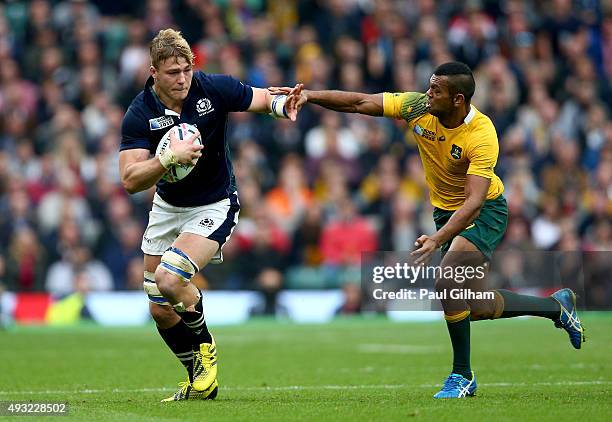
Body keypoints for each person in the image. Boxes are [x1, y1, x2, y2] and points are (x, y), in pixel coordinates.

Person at [273, 61, 585, 399]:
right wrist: (310, 96)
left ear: (458, 100)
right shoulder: (417, 106)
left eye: (436, 90)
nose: (428, 94)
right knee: (473, 305)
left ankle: (462, 376)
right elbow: (360, 103)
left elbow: (474, 203)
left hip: (484, 212)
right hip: (445, 212)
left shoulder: (481, 133)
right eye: (430, 86)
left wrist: (438, 239)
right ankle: (556, 307)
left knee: (447, 281)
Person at [119, 29, 301, 402]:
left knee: (171, 280)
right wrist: (168, 158)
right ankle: (200, 379)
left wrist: (284, 106)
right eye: (172, 72)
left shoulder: (211, 89)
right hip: (168, 209)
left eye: (186, 69)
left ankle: (206, 349)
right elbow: (130, 179)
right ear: (154, 72)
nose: (182, 78)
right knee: (158, 306)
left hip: (215, 203)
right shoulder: (140, 112)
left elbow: (262, 98)